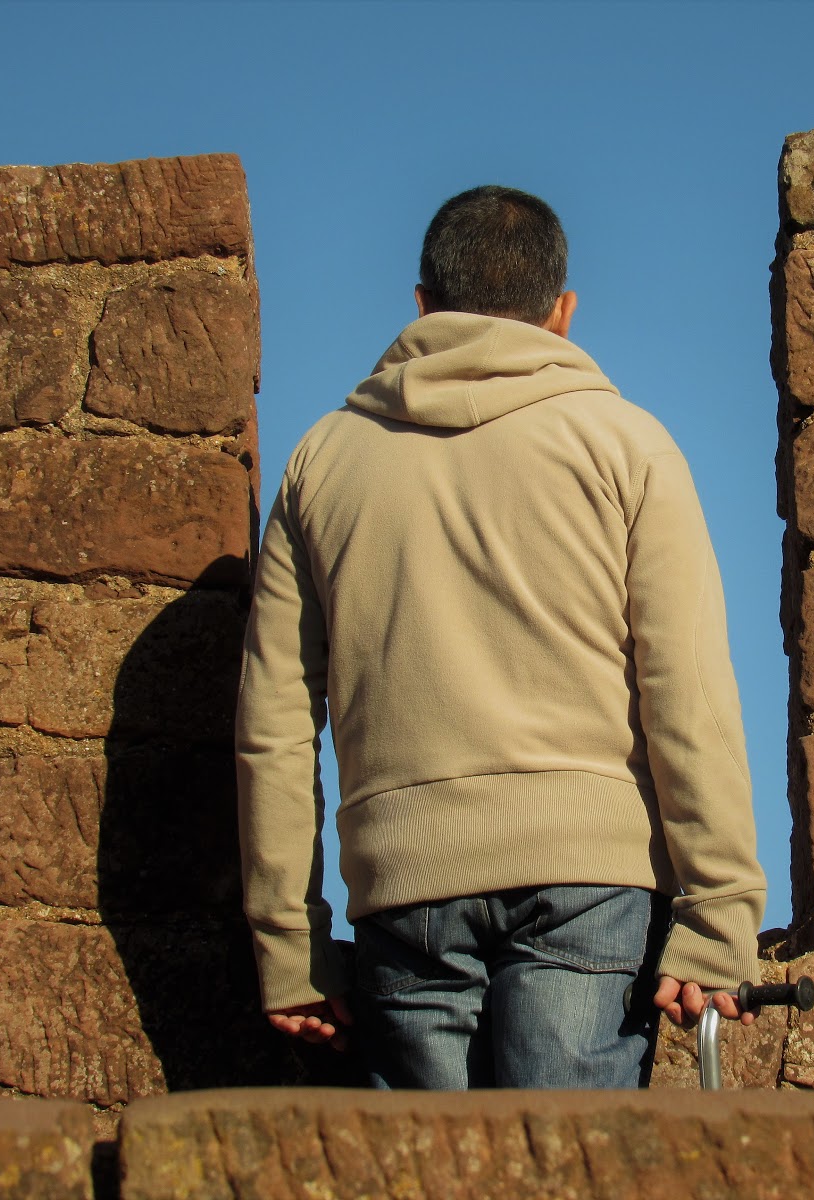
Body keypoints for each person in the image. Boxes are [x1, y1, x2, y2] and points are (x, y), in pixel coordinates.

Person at [236, 185, 765, 1089]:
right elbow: (690, 695)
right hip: (590, 878)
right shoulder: (628, 445)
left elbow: (274, 725)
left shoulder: (321, 462)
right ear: (563, 312)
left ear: (422, 305)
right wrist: (720, 915)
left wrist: (291, 946)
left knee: (428, 1164)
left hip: (404, 882)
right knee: (571, 1161)